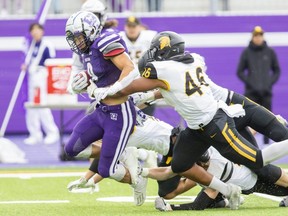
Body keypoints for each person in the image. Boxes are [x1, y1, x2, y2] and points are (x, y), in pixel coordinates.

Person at [88, 31, 288, 209]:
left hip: (216, 124)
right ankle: (227, 190)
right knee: (181, 164)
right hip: (197, 128)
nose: (154, 54)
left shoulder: (167, 69)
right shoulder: (192, 60)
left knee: (257, 160)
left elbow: (129, 88)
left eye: (158, 50)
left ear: (168, 51)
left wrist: (101, 91)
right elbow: (166, 90)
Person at [64, 11, 148, 205]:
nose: (76, 41)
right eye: (73, 38)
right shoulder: (86, 49)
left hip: (120, 113)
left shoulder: (104, 40)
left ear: (91, 30)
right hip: (101, 111)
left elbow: (130, 68)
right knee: (71, 148)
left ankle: (138, 180)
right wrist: (80, 83)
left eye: (78, 36)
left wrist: (113, 88)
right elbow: (94, 72)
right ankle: (121, 152)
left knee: (106, 170)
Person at [151, 146, 288, 211]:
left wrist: (170, 208)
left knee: (262, 167)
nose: (205, 165)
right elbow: (197, 203)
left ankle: (226, 198)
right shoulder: (200, 167)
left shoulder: (213, 159)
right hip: (249, 184)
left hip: (255, 173)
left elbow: (197, 206)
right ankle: (223, 200)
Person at [237, 26, 281, 144]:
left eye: (260, 35)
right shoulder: (247, 52)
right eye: (256, 35)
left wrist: (269, 83)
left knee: (268, 118)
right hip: (251, 92)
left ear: (263, 36)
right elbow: (240, 71)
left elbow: (277, 70)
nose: (258, 38)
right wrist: (251, 83)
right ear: (252, 37)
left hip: (266, 92)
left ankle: (268, 143)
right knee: (249, 118)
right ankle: (249, 143)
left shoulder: (270, 51)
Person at [22, 23, 60, 145]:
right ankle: (35, 133)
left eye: (37, 30)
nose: (35, 32)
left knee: (42, 104)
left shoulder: (47, 44)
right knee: (32, 105)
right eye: (32, 30)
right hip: (32, 77)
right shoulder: (30, 45)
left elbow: (51, 62)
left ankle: (52, 132)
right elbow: (28, 60)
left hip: (42, 76)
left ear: (42, 31)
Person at [119, 16, 157, 115]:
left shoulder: (149, 38)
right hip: (126, 81)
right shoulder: (119, 39)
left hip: (144, 81)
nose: (131, 29)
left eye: (134, 26)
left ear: (139, 27)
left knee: (146, 116)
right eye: (129, 26)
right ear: (125, 27)